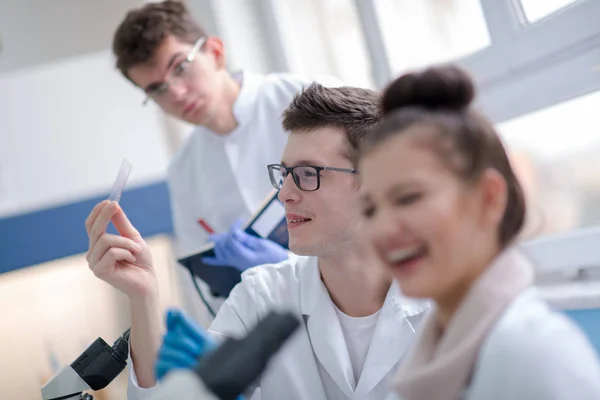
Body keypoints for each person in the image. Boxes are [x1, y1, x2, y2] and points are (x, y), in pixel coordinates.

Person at [85, 84, 430, 400]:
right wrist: (143, 296)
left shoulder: (444, 300)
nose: (285, 194)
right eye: (284, 174)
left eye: (308, 174)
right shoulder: (260, 296)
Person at [357, 65, 600, 400]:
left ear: (488, 198)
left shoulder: (533, 354)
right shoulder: (434, 356)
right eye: (370, 209)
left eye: (408, 197)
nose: (383, 227)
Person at [112, 0, 340, 324]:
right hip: (280, 332)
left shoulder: (313, 97)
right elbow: (206, 283)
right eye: (157, 89)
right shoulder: (184, 170)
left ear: (216, 52)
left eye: (179, 67)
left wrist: (295, 267)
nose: (175, 92)